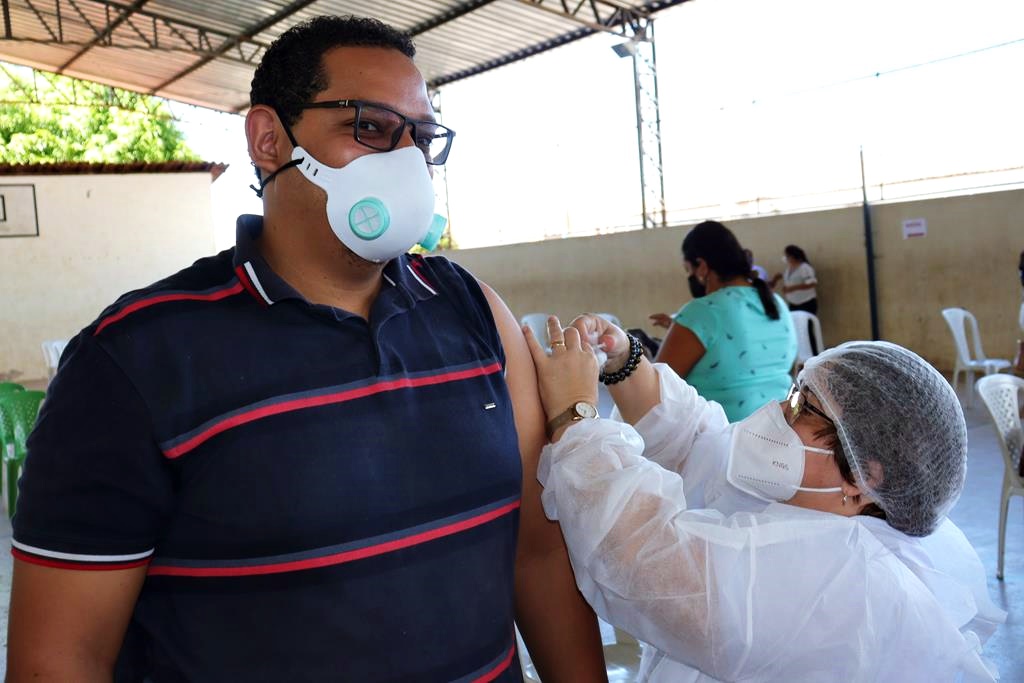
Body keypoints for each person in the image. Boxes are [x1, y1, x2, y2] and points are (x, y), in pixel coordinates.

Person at [6, 16, 607, 681]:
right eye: (371, 127)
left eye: (422, 140)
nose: (405, 163)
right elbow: (61, 657)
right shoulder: (133, 362)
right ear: (269, 139)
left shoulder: (474, 313)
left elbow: (539, 556)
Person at [523, 315, 1006, 682]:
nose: (779, 409)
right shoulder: (814, 500)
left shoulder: (843, 580)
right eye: (794, 389)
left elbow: (642, 562)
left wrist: (576, 416)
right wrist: (624, 357)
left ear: (863, 475)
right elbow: (701, 445)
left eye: (804, 407)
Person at [648, 221, 796, 421]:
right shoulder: (776, 303)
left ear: (701, 266)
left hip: (724, 442)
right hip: (780, 432)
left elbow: (653, 391)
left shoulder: (703, 311)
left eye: (688, 269)